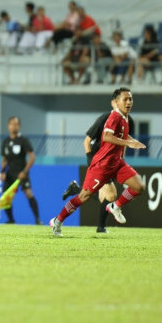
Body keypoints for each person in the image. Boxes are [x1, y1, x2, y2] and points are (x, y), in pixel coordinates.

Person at [50, 87, 146, 237]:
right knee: (84, 197)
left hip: (117, 163)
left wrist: (133, 141)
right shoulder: (113, 117)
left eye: (130, 99)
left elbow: (123, 137)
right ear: (116, 102)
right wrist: (128, 143)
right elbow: (107, 137)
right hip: (102, 165)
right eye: (125, 99)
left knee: (139, 186)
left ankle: (115, 207)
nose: (128, 102)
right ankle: (58, 221)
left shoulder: (126, 118)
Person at [61, 98, 136, 233]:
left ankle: (77, 190)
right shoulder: (104, 119)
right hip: (100, 162)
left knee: (105, 196)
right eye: (120, 101)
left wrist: (121, 160)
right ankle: (100, 226)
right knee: (110, 195)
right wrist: (91, 161)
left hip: (114, 162)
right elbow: (87, 141)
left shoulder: (128, 121)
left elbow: (124, 142)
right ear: (114, 102)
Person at [0, 116, 41, 225]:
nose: (14, 126)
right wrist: (2, 172)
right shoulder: (5, 141)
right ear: (8, 126)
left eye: (16, 124)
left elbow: (32, 157)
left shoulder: (23, 140)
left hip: (21, 172)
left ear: (19, 126)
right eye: (12, 124)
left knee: (28, 193)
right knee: (5, 196)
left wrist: (25, 172)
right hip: (9, 173)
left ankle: (37, 219)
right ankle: (11, 220)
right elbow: (4, 159)